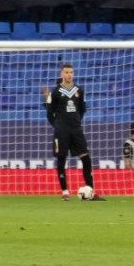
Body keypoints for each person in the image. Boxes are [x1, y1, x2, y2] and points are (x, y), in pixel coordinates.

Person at [45, 63, 102, 201]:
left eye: (71, 72)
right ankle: (65, 191)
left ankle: (90, 191)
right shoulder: (55, 92)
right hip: (61, 131)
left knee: (86, 159)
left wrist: (76, 122)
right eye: (66, 72)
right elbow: (49, 113)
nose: (69, 75)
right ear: (61, 74)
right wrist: (58, 126)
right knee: (61, 160)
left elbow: (82, 110)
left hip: (76, 130)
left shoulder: (79, 91)